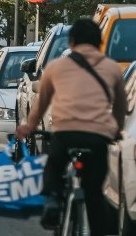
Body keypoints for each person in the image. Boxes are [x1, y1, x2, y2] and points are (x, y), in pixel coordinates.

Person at [15, 17, 126, 232]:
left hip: (65, 134)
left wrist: (29, 126)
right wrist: (117, 130)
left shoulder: (56, 67)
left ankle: (54, 199)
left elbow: (40, 104)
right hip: (97, 137)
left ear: (72, 41)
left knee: (54, 166)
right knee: (94, 192)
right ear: (98, 42)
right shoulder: (112, 69)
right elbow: (121, 105)